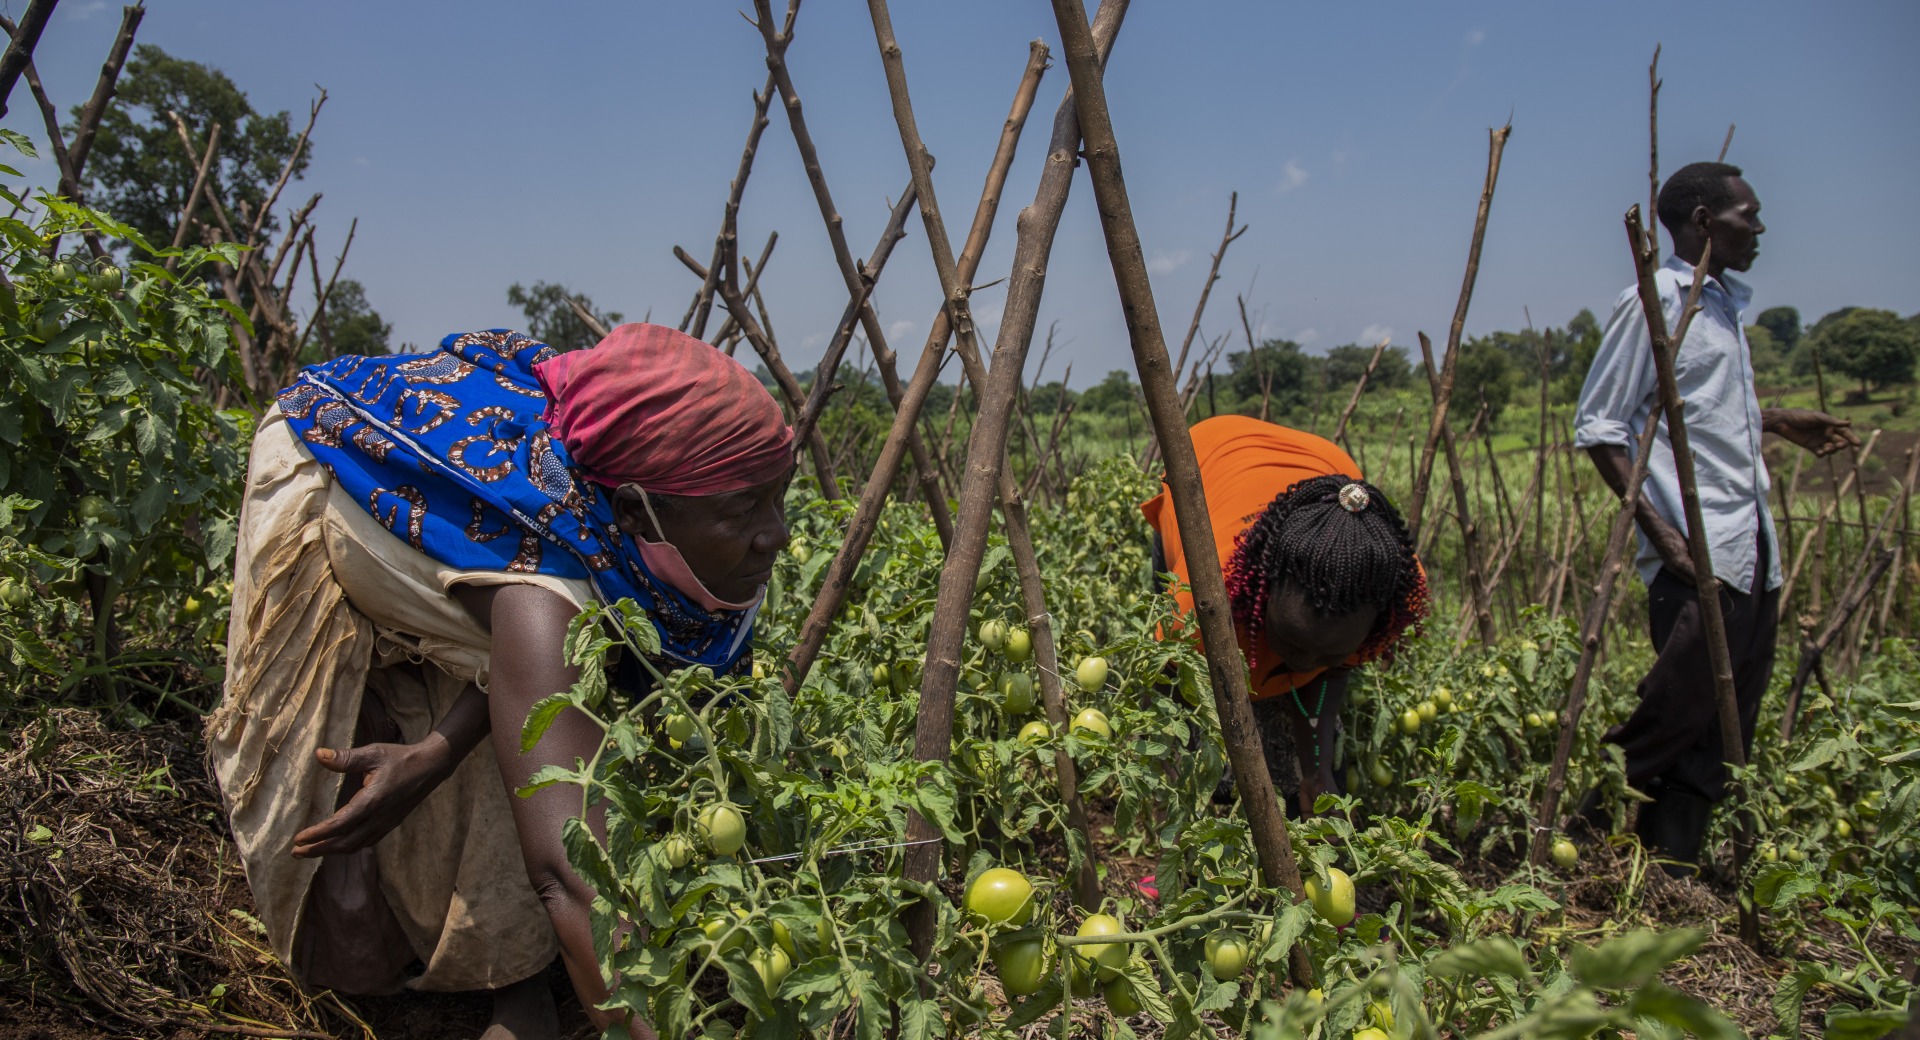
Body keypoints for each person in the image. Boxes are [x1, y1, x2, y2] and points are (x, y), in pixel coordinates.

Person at [206, 324, 794, 1040]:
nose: (778, 534)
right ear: (638, 512)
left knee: (536, 724)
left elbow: (540, 672)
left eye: (778, 499)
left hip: (516, 568)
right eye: (743, 510)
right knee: (332, 872)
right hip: (330, 463)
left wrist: (440, 750)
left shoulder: (606, 551)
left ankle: (513, 978)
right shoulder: (544, 597)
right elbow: (568, 879)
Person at [1572, 162, 1856, 874]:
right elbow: (1599, 425)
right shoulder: (1657, 302)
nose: (1758, 230)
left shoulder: (1722, 306)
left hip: (1751, 543)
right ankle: (1576, 834)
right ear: (1703, 221)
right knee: (1675, 710)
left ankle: (1675, 869)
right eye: (1746, 216)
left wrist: (1779, 420)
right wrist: (1664, 535)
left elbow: (1701, 414)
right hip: (1697, 551)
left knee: (1726, 727)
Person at [1141, 415, 1430, 815]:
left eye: (1328, 653)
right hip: (1209, 455)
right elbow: (1171, 685)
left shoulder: (1392, 586)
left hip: (1323, 462)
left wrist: (1317, 770)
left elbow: (1334, 671)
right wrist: (1186, 790)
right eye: (1292, 642)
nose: (1303, 664)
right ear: (1263, 588)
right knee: (1198, 731)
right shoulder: (1202, 593)